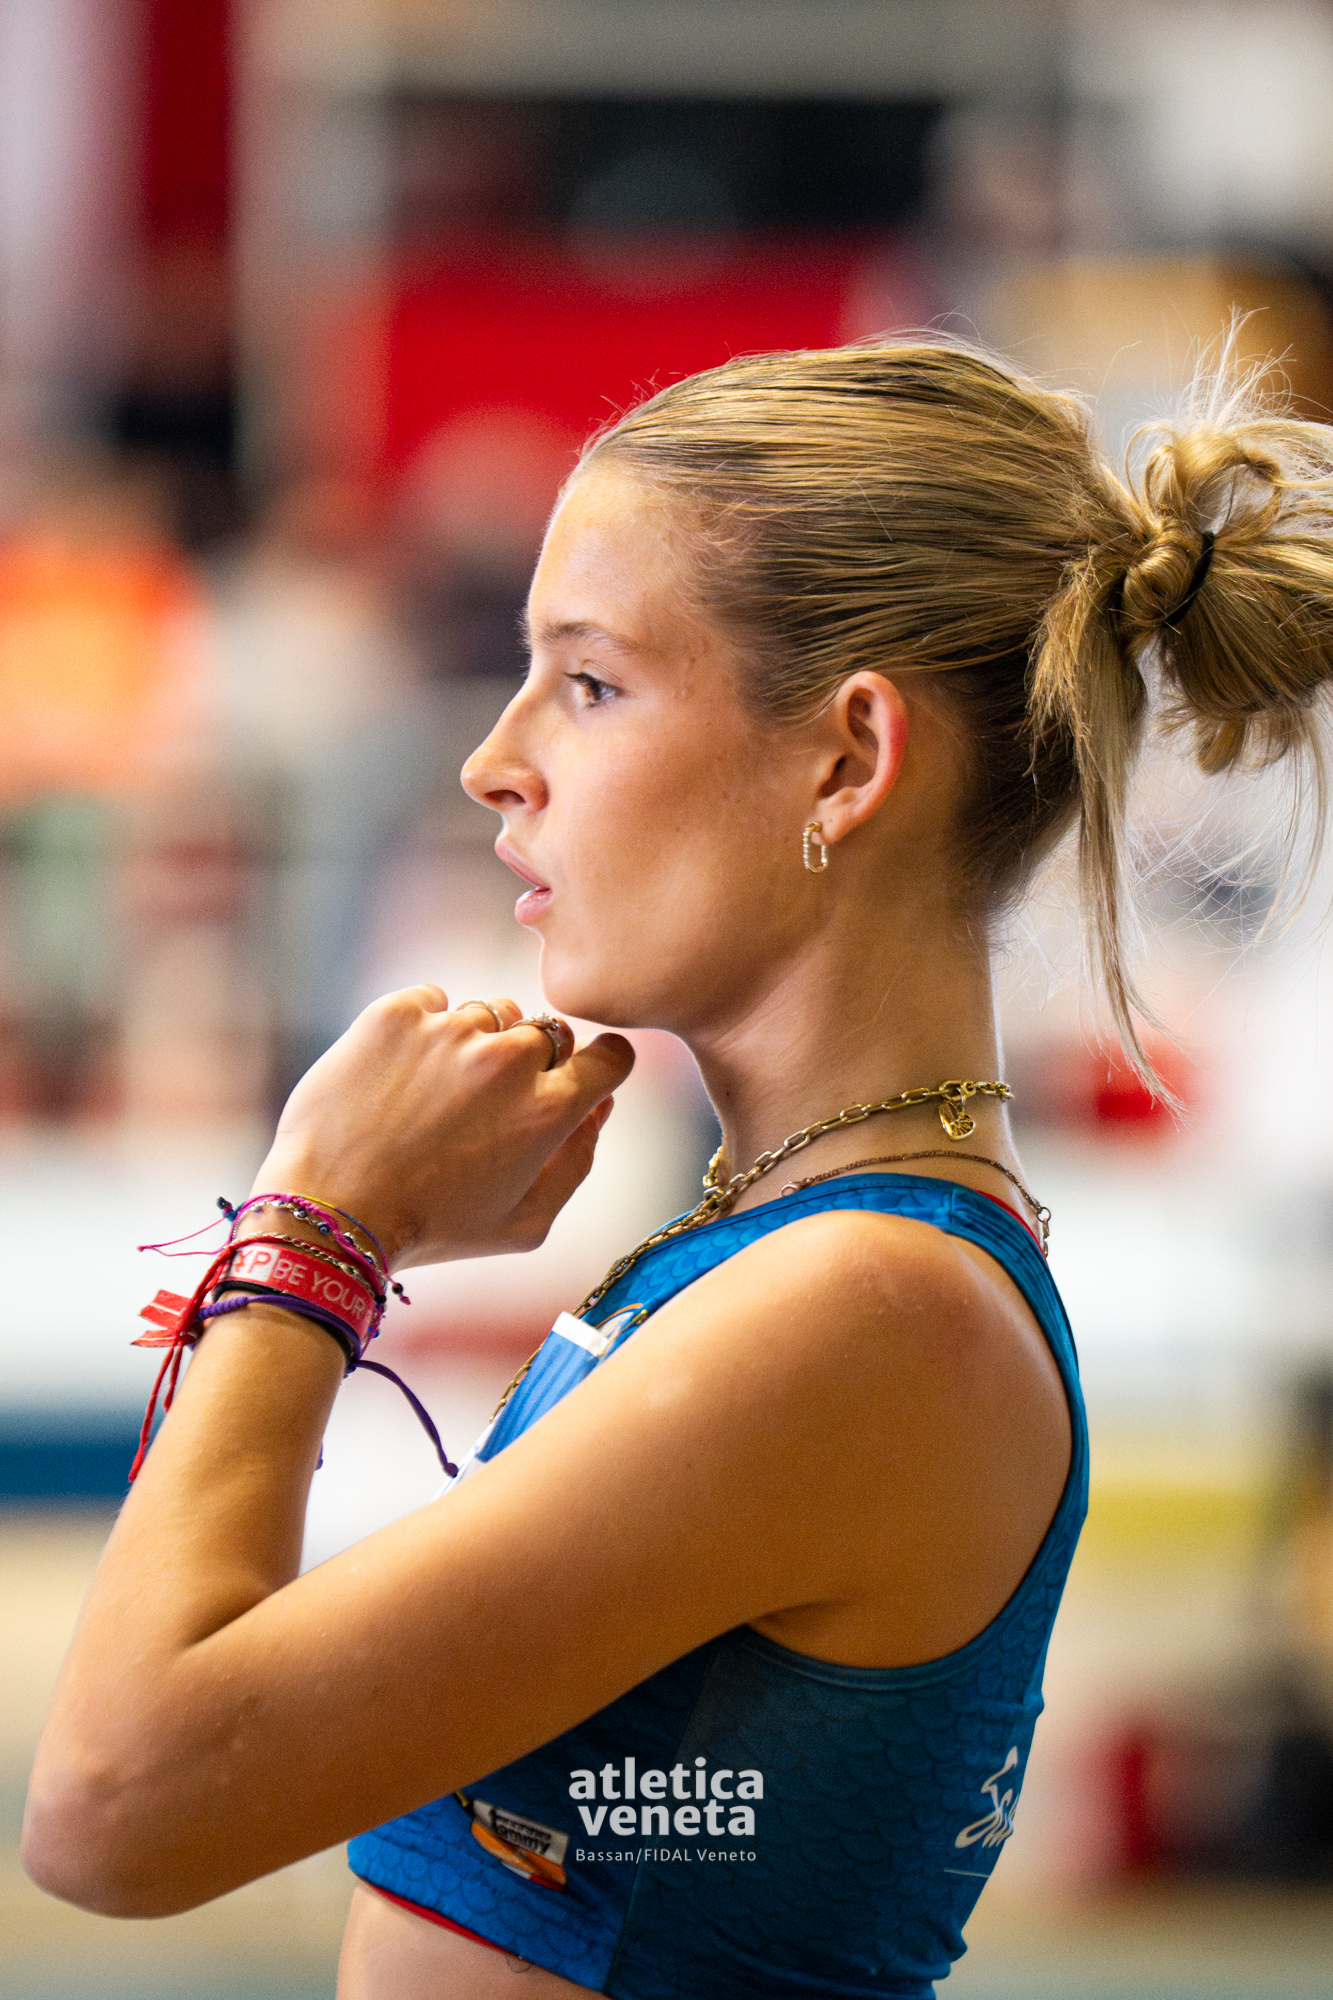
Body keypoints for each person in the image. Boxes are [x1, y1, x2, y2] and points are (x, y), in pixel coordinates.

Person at [23, 340, 1333, 1998]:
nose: (494, 759)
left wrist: (318, 1232)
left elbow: (113, 1810)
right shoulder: (793, 1256)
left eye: (587, 683)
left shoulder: (866, 1313)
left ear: (847, 760)